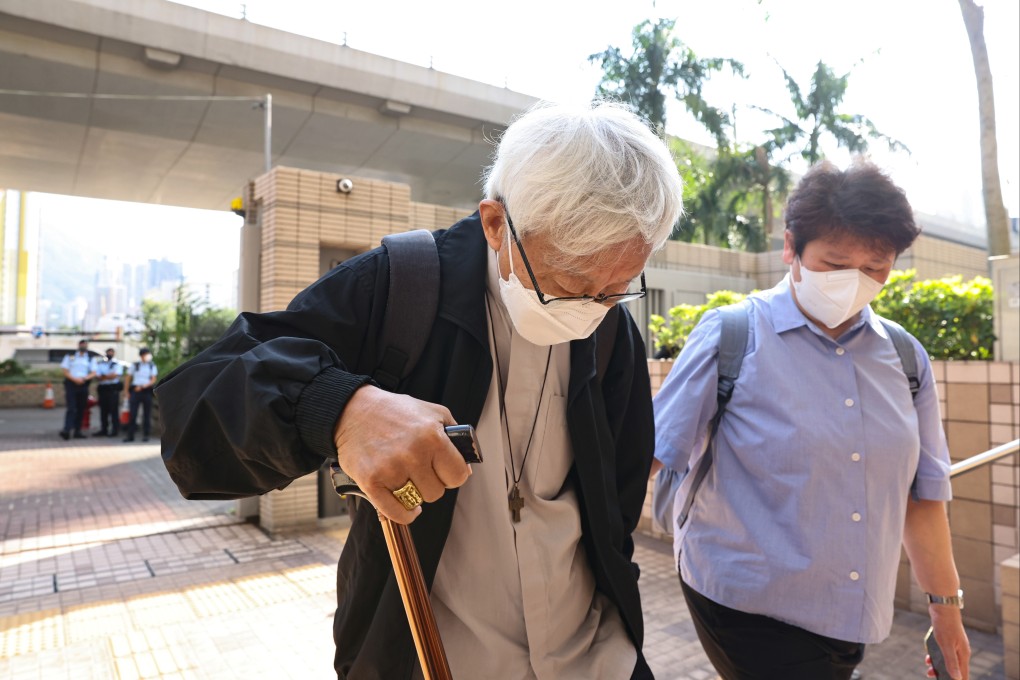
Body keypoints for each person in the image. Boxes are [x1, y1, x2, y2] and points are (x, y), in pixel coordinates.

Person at [155, 101, 684, 679]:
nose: (591, 309)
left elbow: (615, 505)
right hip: (428, 660)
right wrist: (338, 408)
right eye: (568, 282)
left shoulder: (612, 334)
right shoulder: (402, 285)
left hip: (596, 657)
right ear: (496, 224)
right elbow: (193, 424)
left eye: (617, 287)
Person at [652, 160, 971, 680]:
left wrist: (946, 610)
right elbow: (648, 455)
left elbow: (923, 497)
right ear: (790, 248)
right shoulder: (732, 336)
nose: (854, 281)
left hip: (854, 613)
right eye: (835, 263)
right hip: (744, 604)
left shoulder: (906, 358)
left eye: (875, 268)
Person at [59, 338, 97, 440]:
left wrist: (84, 379)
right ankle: (67, 430)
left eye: (85, 345)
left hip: (83, 384)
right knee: (71, 408)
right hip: (71, 384)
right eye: (82, 344)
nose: (83, 346)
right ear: (78, 345)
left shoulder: (90, 358)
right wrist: (74, 379)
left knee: (81, 408)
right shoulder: (70, 356)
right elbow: (65, 370)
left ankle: (78, 430)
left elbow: (93, 372)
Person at [123, 347, 158, 442]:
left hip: (146, 391)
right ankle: (130, 435)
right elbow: (128, 377)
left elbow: (153, 379)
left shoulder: (151, 365)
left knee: (147, 414)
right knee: (133, 413)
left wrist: (143, 387)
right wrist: (126, 391)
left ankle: (146, 434)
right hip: (135, 391)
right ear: (141, 356)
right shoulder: (135, 365)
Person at [95, 347, 124, 437]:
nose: (110, 354)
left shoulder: (117, 364)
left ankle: (115, 430)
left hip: (112, 390)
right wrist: (108, 376)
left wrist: (104, 376)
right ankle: (104, 429)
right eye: (108, 352)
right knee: (103, 411)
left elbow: (115, 375)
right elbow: (98, 376)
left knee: (113, 410)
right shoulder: (101, 363)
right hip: (103, 389)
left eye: (111, 352)